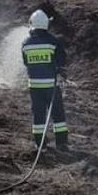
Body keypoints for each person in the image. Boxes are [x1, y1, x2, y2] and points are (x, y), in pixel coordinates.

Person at [22, 9, 68, 152]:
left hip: (34, 87)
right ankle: (61, 143)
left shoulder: (26, 43)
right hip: (51, 86)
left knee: (38, 115)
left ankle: (40, 144)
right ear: (46, 24)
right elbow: (62, 60)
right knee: (58, 114)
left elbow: (26, 62)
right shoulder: (53, 41)